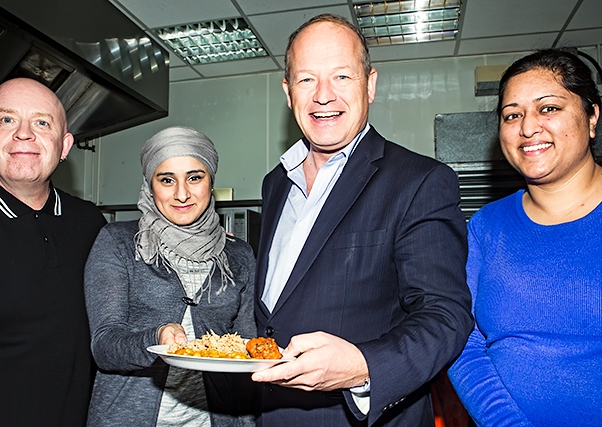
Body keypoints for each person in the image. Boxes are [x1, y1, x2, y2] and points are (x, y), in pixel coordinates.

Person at [250, 13, 474, 427]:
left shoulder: (420, 181)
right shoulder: (275, 183)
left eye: (341, 77)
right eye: (306, 80)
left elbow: (446, 316)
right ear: (287, 91)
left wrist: (362, 366)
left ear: (369, 84)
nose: (323, 95)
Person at [448, 49, 602, 427]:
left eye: (548, 108)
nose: (527, 128)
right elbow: (462, 341)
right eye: (512, 114)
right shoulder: (485, 227)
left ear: (592, 116)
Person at [84, 126, 257, 426]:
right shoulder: (118, 243)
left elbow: (247, 348)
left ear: (210, 181)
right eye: (167, 180)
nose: (182, 193)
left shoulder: (239, 255)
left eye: (194, 177)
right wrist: (157, 337)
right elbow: (105, 346)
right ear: (150, 186)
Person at [0, 77, 107, 426]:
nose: (24, 134)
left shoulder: (90, 222)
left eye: (42, 123)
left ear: (64, 145)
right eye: (7, 120)